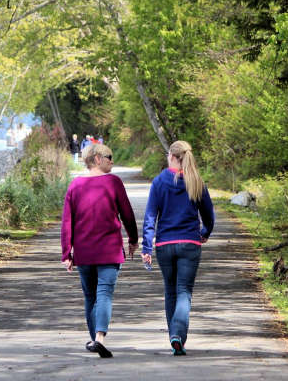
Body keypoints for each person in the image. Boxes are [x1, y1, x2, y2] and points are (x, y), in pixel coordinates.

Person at [61, 143, 138, 358]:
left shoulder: (75, 186)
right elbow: (127, 214)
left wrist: (67, 253)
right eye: (109, 157)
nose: (112, 161)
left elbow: (67, 222)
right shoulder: (113, 182)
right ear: (97, 159)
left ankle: (96, 339)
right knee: (103, 294)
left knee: (91, 296)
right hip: (109, 251)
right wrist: (133, 239)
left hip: (85, 253)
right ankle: (99, 339)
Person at [141, 140, 215, 356]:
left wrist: (147, 246)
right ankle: (178, 335)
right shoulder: (196, 181)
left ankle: (175, 336)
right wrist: (205, 233)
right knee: (184, 291)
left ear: (172, 156)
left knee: (170, 291)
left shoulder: (159, 182)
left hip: (165, 245)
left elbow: (150, 217)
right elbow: (208, 215)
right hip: (190, 244)